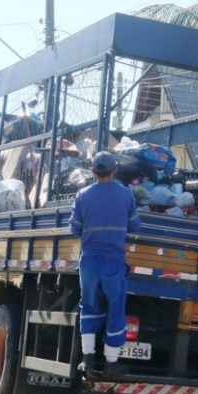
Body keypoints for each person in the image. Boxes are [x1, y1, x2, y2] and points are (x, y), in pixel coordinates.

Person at [70, 151, 141, 378]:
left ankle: (88, 361)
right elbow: (135, 226)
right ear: (115, 170)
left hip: (89, 261)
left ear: (92, 171)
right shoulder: (126, 195)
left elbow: (74, 228)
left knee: (89, 306)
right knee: (115, 308)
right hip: (113, 261)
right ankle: (111, 363)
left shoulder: (83, 195)